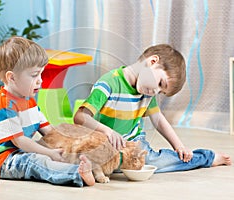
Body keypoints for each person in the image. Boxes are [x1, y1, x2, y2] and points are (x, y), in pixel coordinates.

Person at [74, 44, 231, 173]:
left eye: (161, 92)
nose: (155, 92)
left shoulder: (147, 94)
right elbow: (80, 117)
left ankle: (207, 158)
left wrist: (179, 146)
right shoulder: (109, 83)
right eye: (161, 84)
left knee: (162, 161)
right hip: (104, 145)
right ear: (152, 61)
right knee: (76, 159)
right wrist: (108, 131)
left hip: (134, 146)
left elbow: (159, 120)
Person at [0, 36, 95, 187]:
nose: (40, 80)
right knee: (36, 161)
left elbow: (50, 132)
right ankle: (75, 174)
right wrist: (50, 153)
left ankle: (84, 166)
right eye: (34, 75)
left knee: (54, 148)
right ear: (11, 77)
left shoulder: (29, 100)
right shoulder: (2, 106)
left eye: (41, 74)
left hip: (21, 150)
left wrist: (71, 144)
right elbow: (20, 141)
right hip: (1, 160)